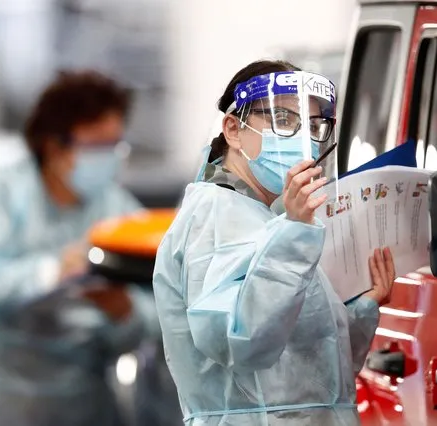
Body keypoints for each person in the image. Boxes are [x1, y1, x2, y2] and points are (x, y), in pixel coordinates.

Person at [153, 60, 396, 425]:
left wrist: (361, 310)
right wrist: (296, 232)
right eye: (283, 120)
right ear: (233, 130)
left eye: (313, 126)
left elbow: (316, 376)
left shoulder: (270, 219)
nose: (303, 140)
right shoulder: (214, 214)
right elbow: (240, 343)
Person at [0, 70, 159, 426]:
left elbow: (159, 308)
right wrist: (54, 271)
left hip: (83, 396)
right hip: (1, 393)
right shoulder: (1, 194)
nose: (108, 158)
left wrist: (124, 311)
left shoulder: (118, 209)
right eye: (96, 147)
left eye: (115, 146)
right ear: (54, 146)